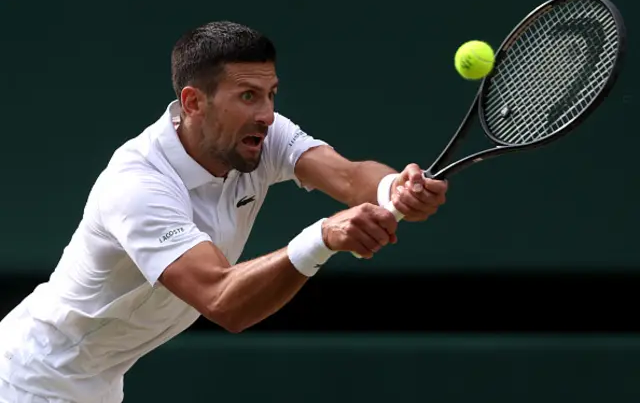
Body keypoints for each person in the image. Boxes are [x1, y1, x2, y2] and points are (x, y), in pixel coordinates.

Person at [0, 21, 448, 403]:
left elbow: (350, 177)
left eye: (271, 94)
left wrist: (396, 188)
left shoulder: (261, 134)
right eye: (248, 96)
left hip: (95, 384)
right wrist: (323, 237)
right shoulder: (137, 186)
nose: (268, 114)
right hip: (28, 381)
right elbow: (222, 300)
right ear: (194, 102)